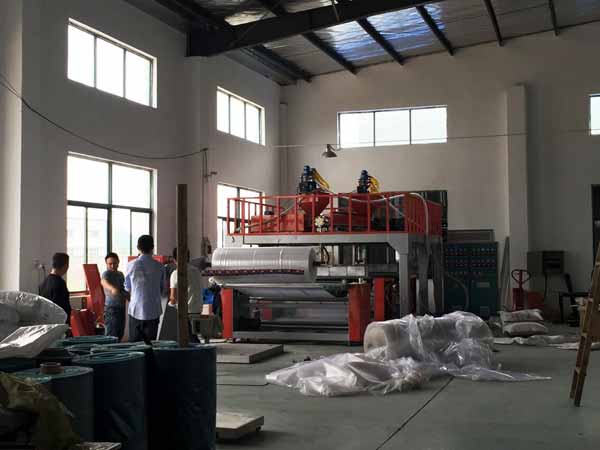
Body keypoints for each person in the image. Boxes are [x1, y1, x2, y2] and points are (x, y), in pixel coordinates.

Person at [124, 235, 164, 344]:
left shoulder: (131, 265)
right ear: (152, 247)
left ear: (138, 247)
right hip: (153, 310)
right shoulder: (160, 266)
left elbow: (127, 287)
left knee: (135, 345)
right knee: (150, 345)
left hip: (135, 309)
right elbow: (162, 288)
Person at [169, 248, 204, 342]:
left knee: (187, 338)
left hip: (185, 311)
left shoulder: (176, 273)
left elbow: (173, 298)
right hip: (198, 309)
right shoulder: (197, 271)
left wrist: (171, 303)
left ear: (174, 259)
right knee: (193, 335)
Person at [101, 252, 128, 341]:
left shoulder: (120, 274)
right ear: (106, 264)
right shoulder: (106, 274)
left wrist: (129, 297)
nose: (112, 266)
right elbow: (103, 282)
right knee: (111, 335)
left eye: (114, 263)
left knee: (120, 333)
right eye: (110, 264)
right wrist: (112, 288)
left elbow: (124, 289)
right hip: (111, 309)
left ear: (118, 262)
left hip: (121, 308)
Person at [39, 253, 71, 323]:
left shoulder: (44, 282)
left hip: (46, 323)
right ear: (65, 266)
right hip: (59, 323)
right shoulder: (60, 283)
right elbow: (62, 308)